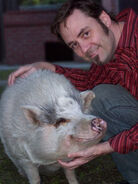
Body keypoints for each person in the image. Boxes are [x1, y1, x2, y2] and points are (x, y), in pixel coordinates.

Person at [8, 0, 138, 184]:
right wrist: (47, 67)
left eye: (86, 33)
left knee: (101, 98)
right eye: (74, 45)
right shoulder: (111, 47)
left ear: (104, 19)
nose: (84, 49)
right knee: (99, 96)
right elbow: (89, 82)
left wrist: (105, 147)